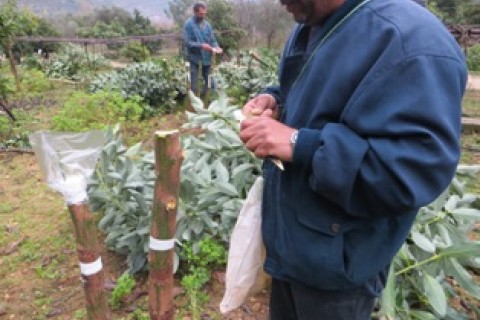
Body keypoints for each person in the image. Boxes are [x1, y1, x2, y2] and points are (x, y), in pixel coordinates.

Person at [239, 0, 467, 319]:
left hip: (337, 267)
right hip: (293, 247)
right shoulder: (313, 23)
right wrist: (275, 100)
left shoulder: (410, 42)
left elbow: (411, 171)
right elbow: (308, 95)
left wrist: (297, 143)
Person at [183, 1, 223, 97]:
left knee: (211, 84)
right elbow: (188, 43)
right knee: (195, 86)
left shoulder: (207, 25)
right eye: (201, 14)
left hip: (207, 60)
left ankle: (207, 102)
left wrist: (217, 47)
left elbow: (212, 40)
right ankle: (195, 105)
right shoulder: (188, 25)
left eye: (204, 13)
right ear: (195, 12)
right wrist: (201, 45)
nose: (203, 16)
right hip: (194, 59)